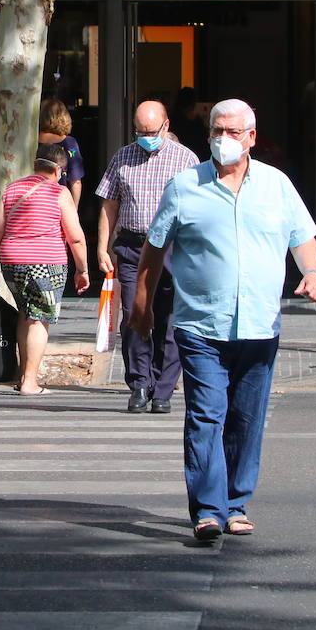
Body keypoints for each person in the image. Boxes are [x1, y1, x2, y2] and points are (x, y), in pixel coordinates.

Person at [131, 98, 316, 541]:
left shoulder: (277, 186)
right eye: (217, 131)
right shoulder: (183, 187)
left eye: (234, 132)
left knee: (246, 418)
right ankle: (208, 509)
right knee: (205, 413)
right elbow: (154, 249)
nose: (224, 140)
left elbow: (303, 238)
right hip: (200, 324)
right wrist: (141, 308)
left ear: (251, 137)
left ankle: (236, 503)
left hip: (259, 325)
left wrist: (313, 272)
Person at [96, 100, 199, 413]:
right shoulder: (123, 156)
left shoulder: (186, 159)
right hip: (133, 248)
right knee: (134, 315)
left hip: (173, 248)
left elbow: (199, 209)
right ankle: (140, 383)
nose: (145, 137)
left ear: (166, 126)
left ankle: (163, 390)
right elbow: (109, 204)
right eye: (139, 131)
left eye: (151, 131)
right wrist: (102, 246)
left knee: (170, 319)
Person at [0, 143, 91, 396]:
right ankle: (30, 382)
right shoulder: (59, 193)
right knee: (40, 318)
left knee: (25, 313)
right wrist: (82, 269)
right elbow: (75, 238)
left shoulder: (12, 188)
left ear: (35, 164)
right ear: (59, 171)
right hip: (46, 263)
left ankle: (23, 375)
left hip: (11, 262)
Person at [38, 98, 86, 206]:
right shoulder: (69, 143)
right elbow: (76, 181)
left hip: (33, 204)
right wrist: (73, 210)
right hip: (59, 204)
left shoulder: (30, 142)